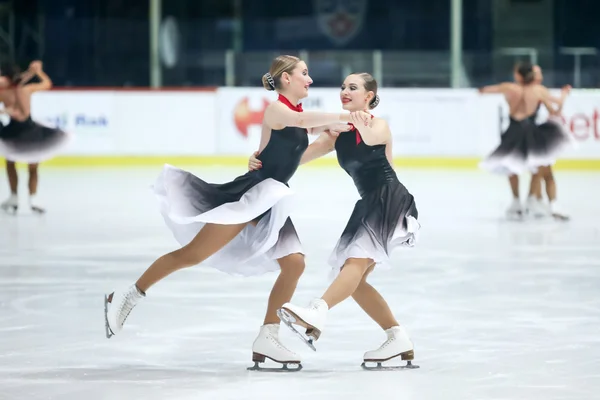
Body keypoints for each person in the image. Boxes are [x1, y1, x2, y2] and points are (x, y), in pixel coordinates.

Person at [103, 55, 370, 372]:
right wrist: (344, 114)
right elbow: (301, 122)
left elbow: (298, 157)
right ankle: (127, 295)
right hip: (251, 193)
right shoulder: (278, 110)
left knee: (294, 263)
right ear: (286, 79)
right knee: (192, 255)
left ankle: (267, 337)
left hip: (272, 195)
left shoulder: (298, 116)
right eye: (305, 74)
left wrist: (328, 142)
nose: (309, 80)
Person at [248, 72, 420, 370]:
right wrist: (258, 160)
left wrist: (345, 123)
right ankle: (397, 337)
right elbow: (296, 159)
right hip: (369, 203)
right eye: (343, 87)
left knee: (353, 265)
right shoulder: (338, 133)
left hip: (390, 199)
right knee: (354, 278)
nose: (345, 91)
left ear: (369, 96)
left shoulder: (377, 125)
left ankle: (318, 309)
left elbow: (370, 137)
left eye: (353, 88)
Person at [478, 62, 573, 220]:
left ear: (518, 75)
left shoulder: (509, 88)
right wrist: (563, 94)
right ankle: (542, 201)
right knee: (541, 167)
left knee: (511, 166)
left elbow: (484, 91)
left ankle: (518, 201)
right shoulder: (538, 91)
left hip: (513, 131)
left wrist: (482, 90)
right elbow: (556, 109)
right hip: (531, 131)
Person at [0, 60, 68, 214]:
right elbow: (47, 83)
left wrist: (34, 72)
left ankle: (28, 197)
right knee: (13, 164)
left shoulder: (13, 91)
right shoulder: (18, 89)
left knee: (30, 165)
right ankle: (17, 197)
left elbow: (22, 114)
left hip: (21, 130)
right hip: (20, 130)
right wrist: (36, 72)